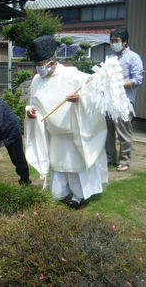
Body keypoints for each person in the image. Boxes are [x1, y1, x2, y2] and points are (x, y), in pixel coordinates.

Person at [24, 35, 108, 209]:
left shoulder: (73, 75)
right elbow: (33, 103)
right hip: (53, 133)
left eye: (41, 65)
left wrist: (80, 98)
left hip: (72, 132)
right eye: (37, 65)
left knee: (75, 166)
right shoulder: (36, 80)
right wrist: (30, 111)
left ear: (52, 62)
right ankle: (60, 193)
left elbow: (94, 95)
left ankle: (78, 196)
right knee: (58, 165)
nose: (39, 69)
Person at [105, 27, 143, 172]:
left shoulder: (133, 57)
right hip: (108, 102)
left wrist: (119, 84)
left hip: (124, 102)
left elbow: (137, 79)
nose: (114, 43)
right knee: (108, 132)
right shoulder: (110, 57)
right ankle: (110, 158)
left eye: (116, 41)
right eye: (112, 41)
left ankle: (125, 160)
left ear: (125, 42)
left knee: (123, 133)